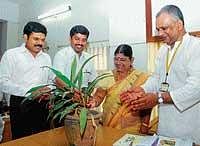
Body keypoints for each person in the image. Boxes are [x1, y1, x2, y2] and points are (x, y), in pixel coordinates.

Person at [120, 5, 200, 143]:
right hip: (164, 128)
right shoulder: (163, 50)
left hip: (188, 128)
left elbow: (196, 88)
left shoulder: (195, 47)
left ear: (179, 25)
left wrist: (158, 98)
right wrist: (141, 89)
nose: (160, 33)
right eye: (158, 29)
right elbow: (157, 78)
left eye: (164, 28)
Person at [86, 44, 156, 134]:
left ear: (131, 60)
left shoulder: (142, 78)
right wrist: (94, 102)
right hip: (108, 125)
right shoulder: (107, 76)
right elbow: (99, 96)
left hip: (132, 127)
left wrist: (145, 125)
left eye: (123, 59)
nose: (118, 63)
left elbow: (147, 105)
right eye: (116, 59)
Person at [0, 21, 53, 139]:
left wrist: (50, 91)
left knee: (43, 137)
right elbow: (3, 82)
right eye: (36, 39)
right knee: (22, 139)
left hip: (42, 103)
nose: (40, 43)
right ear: (25, 37)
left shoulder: (46, 57)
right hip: (20, 104)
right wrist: (30, 91)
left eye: (42, 40)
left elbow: (51, 79)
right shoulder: (11, 55)